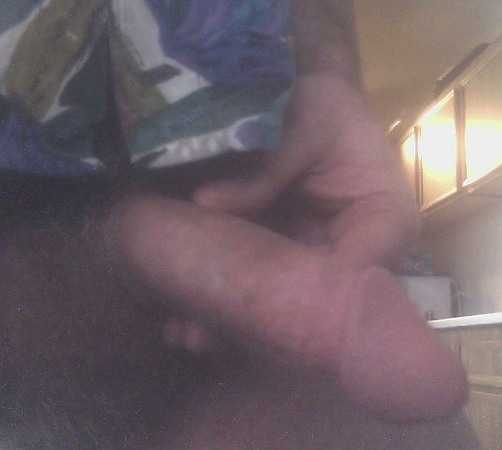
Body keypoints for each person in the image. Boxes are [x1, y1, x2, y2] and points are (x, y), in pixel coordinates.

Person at [0, 1, 470, 448]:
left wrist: (329, 86)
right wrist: (330, 76)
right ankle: (162, 248)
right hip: (242, 98)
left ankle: (123, 243)